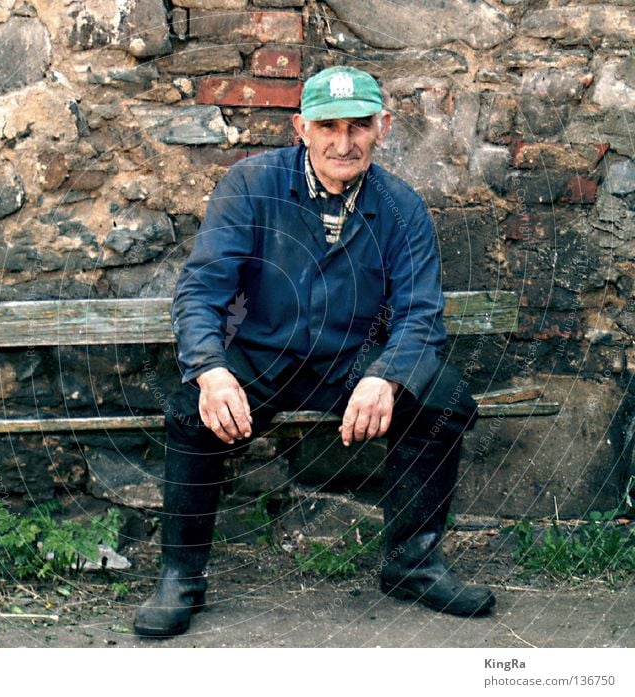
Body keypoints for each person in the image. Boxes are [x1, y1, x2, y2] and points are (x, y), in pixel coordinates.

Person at [133, 66, 495, 637]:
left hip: (351, 361)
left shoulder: (401, 208)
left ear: (383, 127)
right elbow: (202, 289)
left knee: (443, 400)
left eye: (358, 127)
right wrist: (210, 371)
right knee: (189, 413)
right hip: (262, 355)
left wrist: (388, 376)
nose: (342, 143)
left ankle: (413, 564)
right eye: (328, 126)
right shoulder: (251, 184)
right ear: (302, 127)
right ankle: (180, 578)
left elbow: (421, 313)